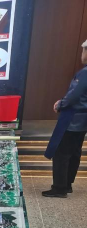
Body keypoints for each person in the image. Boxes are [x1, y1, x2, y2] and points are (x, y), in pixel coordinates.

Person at [43, 41, 87, 198]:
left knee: (62, 153)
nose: (82, 54)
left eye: (83, 51)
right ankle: (67, 184)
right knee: (74, 152)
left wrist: (60, 104)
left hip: (73, 119)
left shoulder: (84, 73)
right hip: (83, 121)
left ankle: (59, 188)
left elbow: (74, 95)